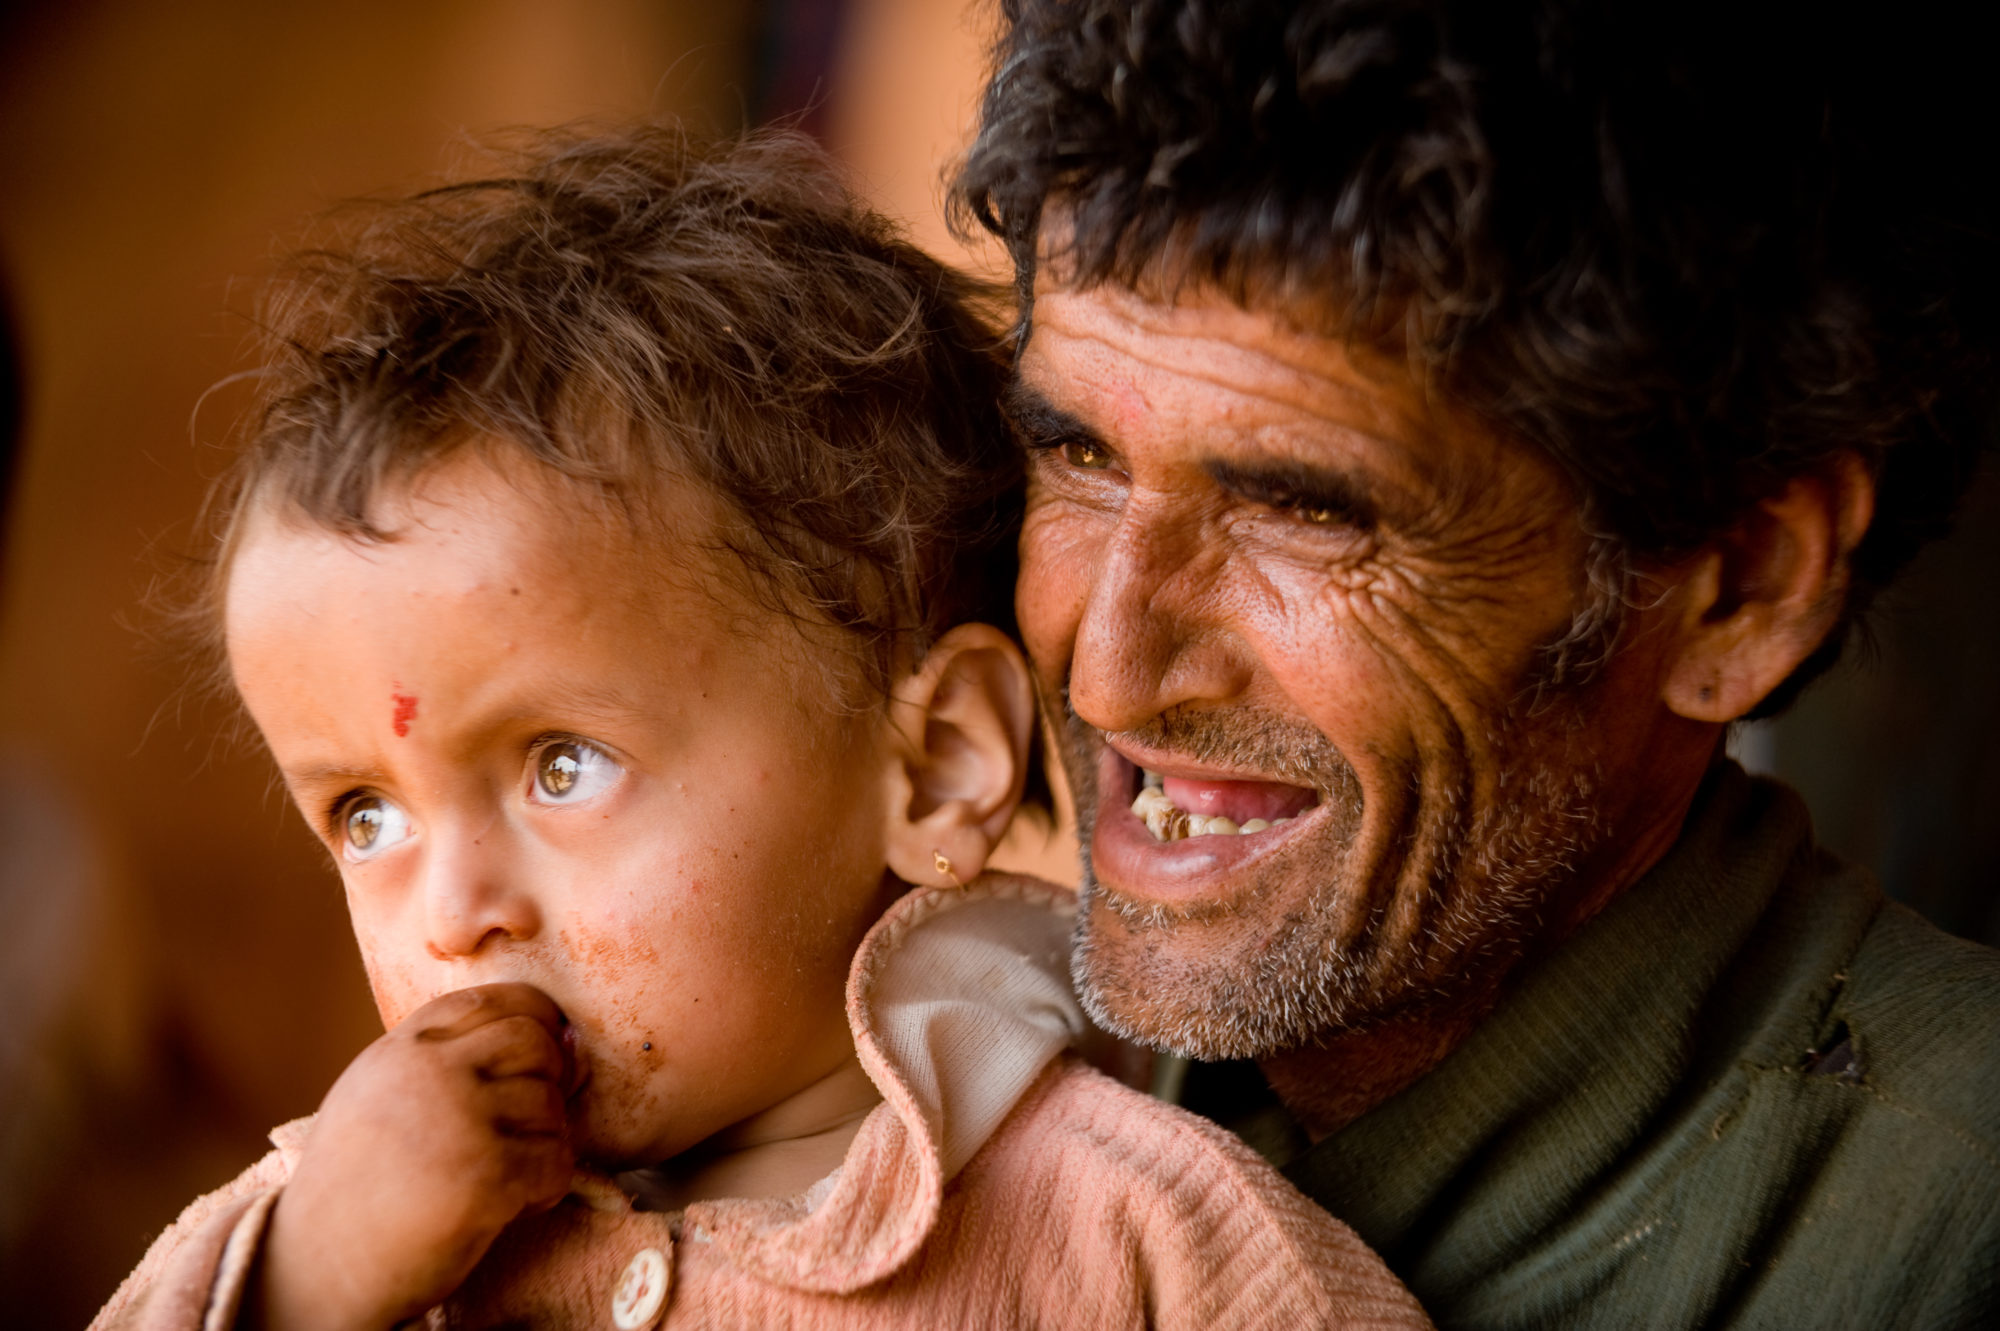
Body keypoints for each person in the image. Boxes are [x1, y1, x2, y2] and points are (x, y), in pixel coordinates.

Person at [91, 127, 1430, 1330]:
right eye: (362, 815)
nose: (451, 915)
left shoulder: (1145, 1241)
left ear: (937, 763)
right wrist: (305, 1284)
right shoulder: (326, 1239)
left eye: (562, 766)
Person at [952, 1, 2000, 1327]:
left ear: (1740, 591)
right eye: (1080, 457)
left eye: (1307, 512)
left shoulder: (1947, 1237)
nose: (1105, 674)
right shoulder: (969, 1100)